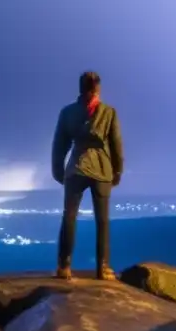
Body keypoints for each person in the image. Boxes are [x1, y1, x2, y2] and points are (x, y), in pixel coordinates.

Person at [51, 70, 124, 281]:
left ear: (80, 88)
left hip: (76, 168)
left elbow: (59, 144)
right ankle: (102, 268)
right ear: (98, 88)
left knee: (69, 217)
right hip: (102, 170)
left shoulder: (67, 112)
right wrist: (118, 171)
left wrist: (58, 169)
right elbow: (116, 145)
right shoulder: (109, 112)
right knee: (102, 221)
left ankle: (64, 267)